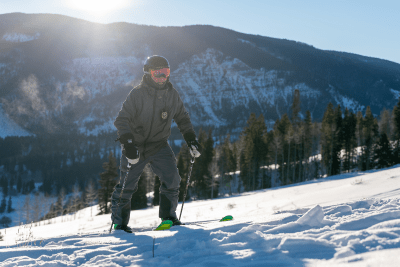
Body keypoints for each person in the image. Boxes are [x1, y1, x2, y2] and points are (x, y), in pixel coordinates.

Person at [111, 55, 201, 233]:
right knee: (126, 185)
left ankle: (168, 217)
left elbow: (182, 118)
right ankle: (119, 224)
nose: (162, 78)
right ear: (148, 74)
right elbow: (122, 120)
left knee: (172, 178)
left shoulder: (172, 95)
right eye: (157, 73)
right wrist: (128, 144)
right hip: (135, 147)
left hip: (159, 144)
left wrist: (191, 139)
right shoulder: (137, 94)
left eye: (165, 73)